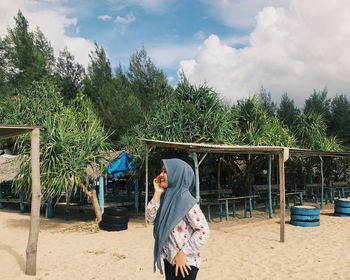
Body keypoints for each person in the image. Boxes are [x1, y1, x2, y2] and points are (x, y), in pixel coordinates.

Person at [146, 158, 210, 280]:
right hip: (169, 258)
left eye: (165, 172)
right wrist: (157, 193)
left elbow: (204, 231)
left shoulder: (186, 200)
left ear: (177, 174)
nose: (160, 175)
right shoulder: (166, 198)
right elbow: (150, 219)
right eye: (161, 171)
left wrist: (183, 253)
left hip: (186, 261)